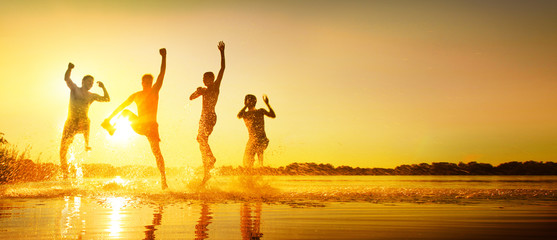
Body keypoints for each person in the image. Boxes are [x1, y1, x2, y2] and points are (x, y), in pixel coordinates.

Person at [102, 48, 168, 190]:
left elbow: (162, 74)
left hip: (151, 127)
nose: (147, 84)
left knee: (157, 153)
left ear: (152, 83)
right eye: (145, 82)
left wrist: (164, 57)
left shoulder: (155, 90)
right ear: (141, 83)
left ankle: (163, 180)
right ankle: (111, 127)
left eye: (149, 82)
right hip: (139, 125)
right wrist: (109, 118)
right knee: (125, 111)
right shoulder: (136, 95)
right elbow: (121, 107)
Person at [60, 62, 110, 179]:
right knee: (62, 150)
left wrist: (103, 87)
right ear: (83, 82)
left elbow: (107, 99)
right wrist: (69, 68)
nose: (91, 84)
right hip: (71, 122)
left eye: (92, 83)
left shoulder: (91, 96)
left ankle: (86, 144)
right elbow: (66, 78)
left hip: (82, 123)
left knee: (87, 120)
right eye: (89, 82)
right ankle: (65, 173)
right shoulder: (75, 89)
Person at [189, 41, 225, 184]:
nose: (207, 80)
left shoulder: (215, 87)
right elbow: (190, 98)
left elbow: (223, 68)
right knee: (200, 141)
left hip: (210, 116)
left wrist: (222, 52)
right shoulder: (203, 91)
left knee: (202, 140)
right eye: (205, 79)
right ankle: (206, 172)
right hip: (202, 118)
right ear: (203, 81)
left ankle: (211, 159)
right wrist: (197, 91)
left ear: (213, 79)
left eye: (209, 78)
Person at [237, 94, 276, 168]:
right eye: (248, 100)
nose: (250, 102)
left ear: (255, 102)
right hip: (251, 140)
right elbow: (238, 116)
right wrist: (246, 106)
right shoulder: (245, 114)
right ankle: (253, 175)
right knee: (246, 162)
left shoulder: (260, 111)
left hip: (261, 139)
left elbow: (273, 115)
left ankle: (260, 166)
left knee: (258, 154)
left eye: (251, 101)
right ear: (245, 102)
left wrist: (267, 104)